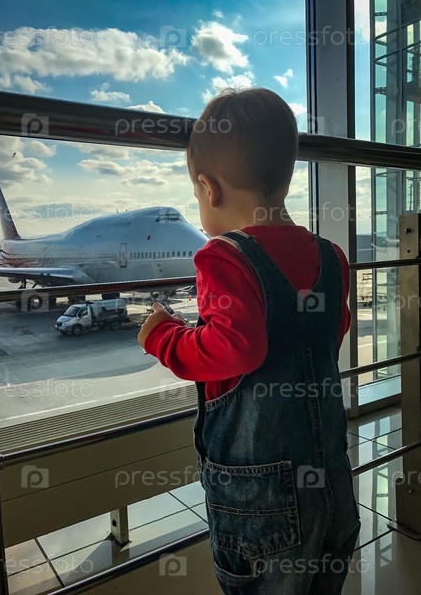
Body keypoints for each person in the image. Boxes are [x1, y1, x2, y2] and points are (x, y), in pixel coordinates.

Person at [138, 87, 360, 594]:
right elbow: (334, 329)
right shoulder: (331, 256)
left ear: (208, 189)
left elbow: (236, 348)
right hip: (330, 480)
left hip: (263, 505)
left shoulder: (222, 256)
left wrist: (164, 336)